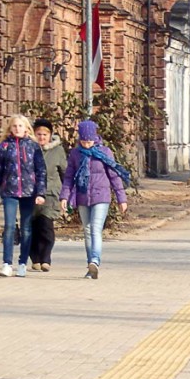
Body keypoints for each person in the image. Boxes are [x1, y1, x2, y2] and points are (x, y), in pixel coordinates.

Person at [59, 120, 129, 279]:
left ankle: (95, 261)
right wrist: (64, 196)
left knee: (96, 228)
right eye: (83, 141)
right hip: (83, 197)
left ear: (95, 137)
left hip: (101, 196)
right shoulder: (76, 154)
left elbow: (114, 176)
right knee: (87, 230)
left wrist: (121, 198)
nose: (86, 143)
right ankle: (91, 268)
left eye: (89, 140)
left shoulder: (104, 152)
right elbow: (69, 177)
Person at [0, 115, 47, 277]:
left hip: (29, 192)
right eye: (14, 126)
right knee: (9, 227)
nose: (17, 129)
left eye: (20, 126)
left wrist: (40, 192)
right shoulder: (4, 147)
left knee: (26, 228)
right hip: (9, 191)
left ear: (26, 128)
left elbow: (41, 171)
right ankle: (7, 263)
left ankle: (22, 263)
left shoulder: (33, 147)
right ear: (10, 128)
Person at [30, 118, 67, 272]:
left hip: (51, 194)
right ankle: (35, 258)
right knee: (32, 228)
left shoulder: (58, 151)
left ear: (50, 135)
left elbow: (64, 172)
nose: (42, 137)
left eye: (45, 134)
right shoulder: (29, 149)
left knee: (46, 227)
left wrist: (66, 194)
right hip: (31, 194)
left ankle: (46, 258)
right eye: (39, 134)